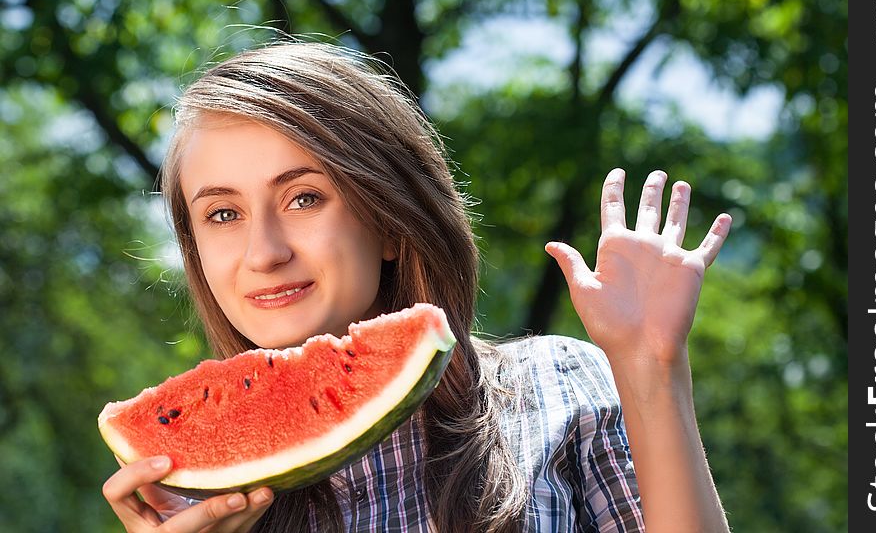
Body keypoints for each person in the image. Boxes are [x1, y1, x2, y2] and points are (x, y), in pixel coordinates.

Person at [102, 42, 732, 533]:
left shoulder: (554, 384)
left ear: (388, 223)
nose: (264, 253)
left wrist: (651, 366)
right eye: (222, 214)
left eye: (304, 198)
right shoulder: (188, 492)